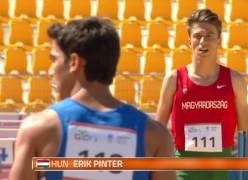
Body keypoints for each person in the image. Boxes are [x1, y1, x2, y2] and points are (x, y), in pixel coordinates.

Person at [9, 17, 175, 180]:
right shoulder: (155, 135)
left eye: (54, 59)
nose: (50, 70)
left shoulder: (38, 129)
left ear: (74, 62)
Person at [156, 9, 248, 180]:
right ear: (189, 40)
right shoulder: (173, 79)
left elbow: (245, 131)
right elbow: (157, 130)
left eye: (209, 36)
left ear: (218, 40)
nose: (203, 42)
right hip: (184, 169)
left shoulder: (235, 80)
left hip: (223, 169)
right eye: (198, 36)